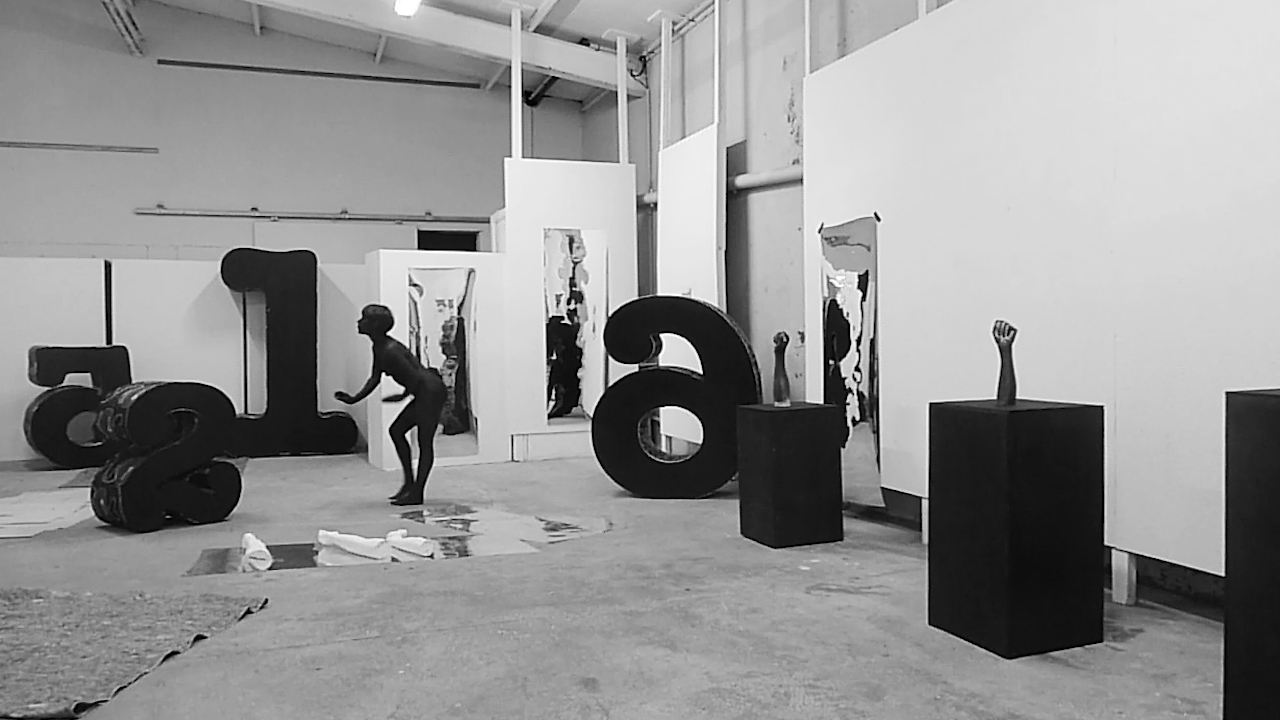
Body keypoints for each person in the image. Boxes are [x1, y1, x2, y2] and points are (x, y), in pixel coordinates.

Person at [335, 304, 446, 506]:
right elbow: (375, 378)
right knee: (396, 431)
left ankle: (416, 492)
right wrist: (354, 399)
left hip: (430, 391)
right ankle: (409, 484)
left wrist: (402, 396)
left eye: (364, 319)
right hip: (424, 390)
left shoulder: (390, 350)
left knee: (424, 441)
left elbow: (415, 378)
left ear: (375, 325)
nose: (359, 322)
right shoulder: (379, 346)